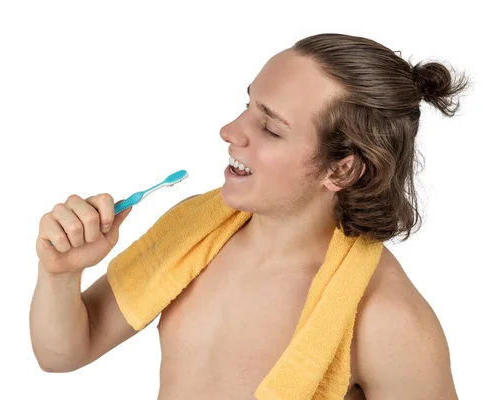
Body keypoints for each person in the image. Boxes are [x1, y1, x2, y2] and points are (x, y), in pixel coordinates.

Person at [29, 33, 468, 399]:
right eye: (248, 106)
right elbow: (65, 353)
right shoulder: (196, 233)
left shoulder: (388, 319)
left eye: (270, 128)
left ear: (342, 169)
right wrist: (60, 274)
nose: (230, 131)